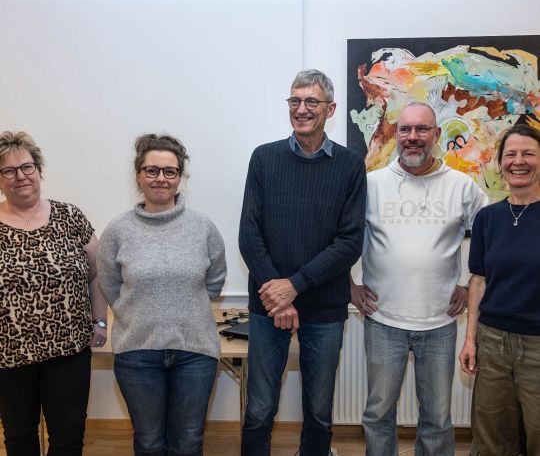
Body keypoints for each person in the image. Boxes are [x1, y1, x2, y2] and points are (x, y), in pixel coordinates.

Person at [239, 69, 366, 456]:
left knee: (319, 412)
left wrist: (293, 286)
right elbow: (249, 235)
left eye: (311, 101)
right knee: (259, 409)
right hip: (268, 307)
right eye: (295, 101)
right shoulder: (264, 158)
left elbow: (350, 243)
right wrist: (278, 296)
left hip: (324, 308)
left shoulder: (350, 165)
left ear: (330, 109)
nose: (302, 109)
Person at [351, 102, 488, 455]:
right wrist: (349, 285)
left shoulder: (462, 186)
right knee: (378, 414)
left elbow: (492, 238)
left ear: (437, 134)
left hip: (439, 322)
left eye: (422, 129)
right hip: (383, 319)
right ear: (395, 134)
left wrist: (467, 284)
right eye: (405, 129)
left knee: (438, 419)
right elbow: (341, 236)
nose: (413, 137)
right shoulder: (371, 184)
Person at [97, 133, 226, 456]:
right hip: (137, 352)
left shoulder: (203, 228)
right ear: (138, 175)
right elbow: (109, 284)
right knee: (149, 441)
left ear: (180, 177)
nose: (161, 179)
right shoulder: (118, 230)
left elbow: (215, 281)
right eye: (151, 170)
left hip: (195, 351)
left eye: (170, 171)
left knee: (188, 442)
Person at [0, 131, 107, 456]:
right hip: (8, 354)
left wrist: (100, 321)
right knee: (19, 438)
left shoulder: (70, 216)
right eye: (9, 170)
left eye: (27, 167)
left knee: (68, 439)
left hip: (68, 351)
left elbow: (97, 273)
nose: (21, 176)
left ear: (39, 169)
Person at [459, 124, 540, 455]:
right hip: (492, 344)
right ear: (501, 163)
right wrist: (470, 340)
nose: (518, 161)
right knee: (492, 436)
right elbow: (478, 280)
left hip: (537, 345)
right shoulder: (488, 218)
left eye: (528, 154)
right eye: (511, 154)